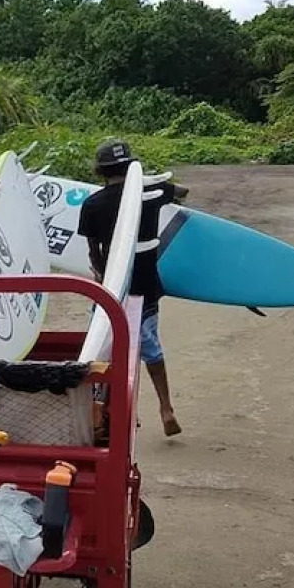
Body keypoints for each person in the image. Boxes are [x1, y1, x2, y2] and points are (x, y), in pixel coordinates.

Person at [77, 139, 183, 437]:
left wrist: (101, 276)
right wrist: (149, 183)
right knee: (150, 346)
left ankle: (109, 412)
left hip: (111, 288)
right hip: (145, 285)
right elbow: (181, 192)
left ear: (100, 171)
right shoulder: (152, 194)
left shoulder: (93, 204)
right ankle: (166, 408)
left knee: (106, 349)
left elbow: (93, 251)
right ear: (131, 167)